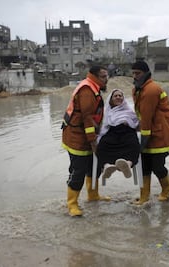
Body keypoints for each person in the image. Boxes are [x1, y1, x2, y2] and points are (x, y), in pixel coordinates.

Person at [61, 65, 109, 217]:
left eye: (107, 75)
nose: (106, 78)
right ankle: (72, 204)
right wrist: (93, 141)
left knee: (94, 167)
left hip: (85, 136)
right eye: (103, 76)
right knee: (78, 171)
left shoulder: (93, 88)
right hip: (77, 137)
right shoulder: (87, 90)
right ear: (94, 76)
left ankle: (93, 195)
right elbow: (87, 119)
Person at [131, 60, 169, 205]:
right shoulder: (139, 89)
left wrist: (143, 141)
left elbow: (147, 116)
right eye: (133, 73)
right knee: (144, 166)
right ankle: (144, 196)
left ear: (145, 73)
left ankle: (168, 188)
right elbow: (140, 115)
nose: (134, 76)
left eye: (137, 73)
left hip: (159, 135)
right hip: (149, 132)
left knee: (157, 166)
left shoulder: (150, 90)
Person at [96, 88, 140, 179]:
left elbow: (136, 123)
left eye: (120, 96)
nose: (118, 97)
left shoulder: (129, 111)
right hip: (112, 133)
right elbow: (104, 126)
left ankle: (128, 164)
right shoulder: (106, 112)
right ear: (111, 99)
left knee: (134, 145)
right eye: (115, 96)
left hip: (127, 132)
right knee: (102, 145)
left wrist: (128, 122)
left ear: (123, 98)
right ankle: (107, 166)